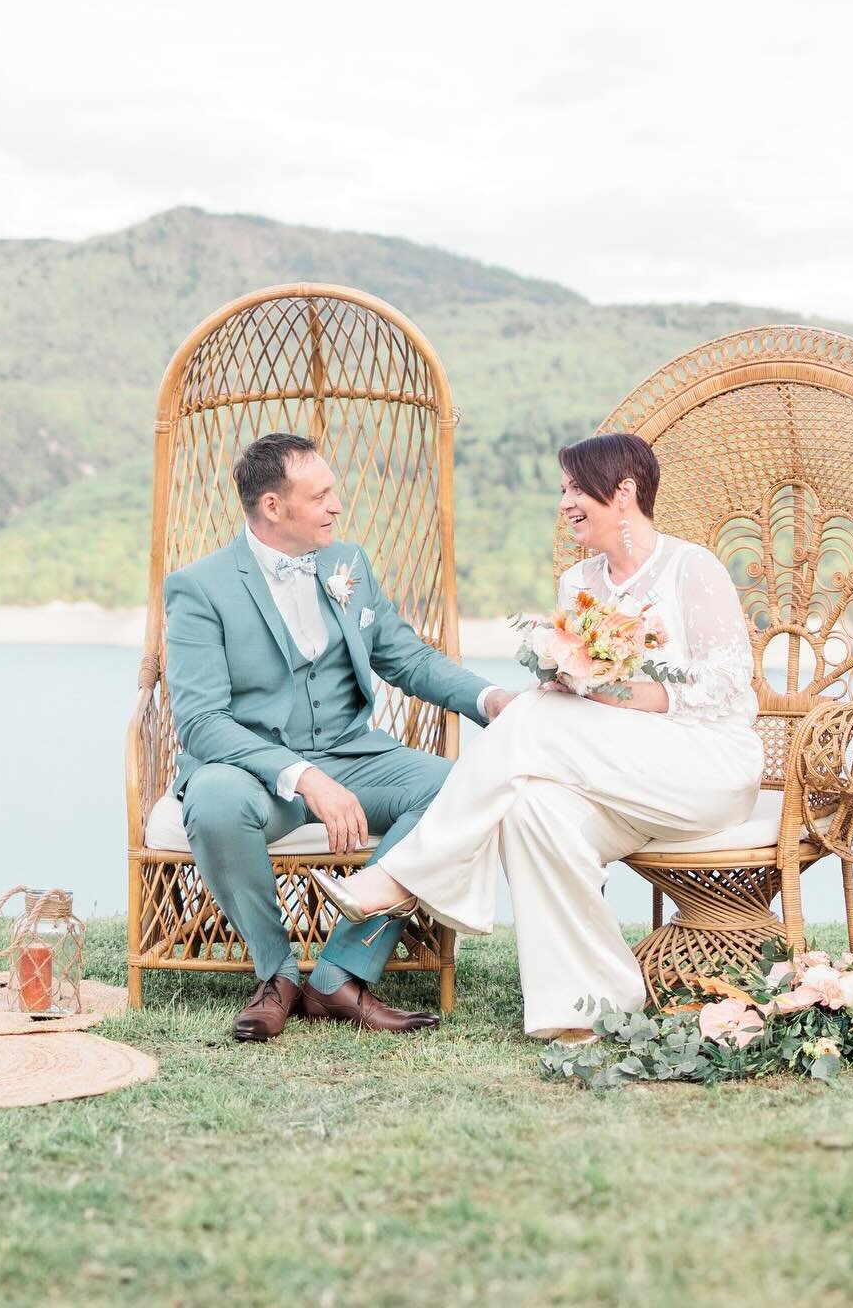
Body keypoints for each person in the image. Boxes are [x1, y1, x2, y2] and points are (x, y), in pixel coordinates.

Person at [314, 430, 763, 1042]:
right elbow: (578, 697)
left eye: (577, 488)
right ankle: (589, 1009)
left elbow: (734, 686)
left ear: (624, 491)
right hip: (619, 777)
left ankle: (402, 878)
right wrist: (573, 681)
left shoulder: (692, 568)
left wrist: (616, 693)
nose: (564, 503)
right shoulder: (578, 582)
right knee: (531, 807)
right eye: (563, 490)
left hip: (707, 767)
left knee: (531, 714)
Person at [164, 431, 517, 1042]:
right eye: (321, 494)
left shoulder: (347, 563)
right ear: (273, 507)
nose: (336, 505)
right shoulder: (200, 589)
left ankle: (340, 976)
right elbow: (201, 721)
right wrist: (303, 776)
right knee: (216, 803)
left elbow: (406, 658)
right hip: (250, 772)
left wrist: (491, 700)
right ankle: (276, 974)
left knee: (459, 787)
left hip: (354, 754)